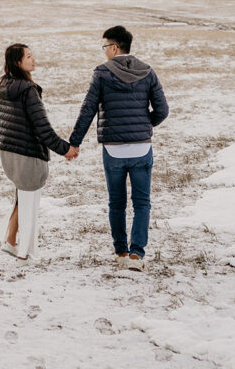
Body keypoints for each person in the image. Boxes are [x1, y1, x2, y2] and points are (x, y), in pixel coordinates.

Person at [69, 25, 169, 270]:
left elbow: (88, 110)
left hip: (113, 149)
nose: (103, 51)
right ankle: (137, 255)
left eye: (104, 46)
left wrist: (74, 142)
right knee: (142, 202)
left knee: (117, 202)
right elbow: (163, 110)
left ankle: (121, 252)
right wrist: (145, 125)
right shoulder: (148, 71)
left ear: (114, 47)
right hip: (141, 149)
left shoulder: (102, 73)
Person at [0, 43, 78, 262]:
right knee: (29, 202)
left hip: (9, 153)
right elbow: (42, 128)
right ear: (18, 62)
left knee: (21, 197)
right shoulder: (28, 90)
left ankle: (9, 240)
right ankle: (24, 252)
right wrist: (66, 149)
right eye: (28, 56)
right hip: (27, 154)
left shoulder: (3, 85)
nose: (33, 60)